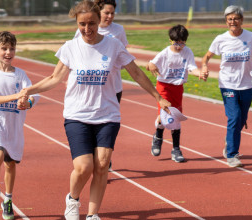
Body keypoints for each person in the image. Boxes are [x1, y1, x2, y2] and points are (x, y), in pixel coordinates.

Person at [19, 1, 170, 219]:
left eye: (92, 23)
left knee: (102, 164)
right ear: (76, 23)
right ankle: (72, 199)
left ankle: (92, 214)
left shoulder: (113, 45)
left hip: (107, 114)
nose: (87, 29)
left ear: (99, 21)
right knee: (83, 167)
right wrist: (28, 89)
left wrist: (159, 97)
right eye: (82, 24)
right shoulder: (70, 48)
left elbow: (136, 73)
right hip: (77, 115)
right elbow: (54, 78)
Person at [201, 5, 252, 168]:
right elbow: (206, 57)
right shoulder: (220, 39)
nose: (233, 22)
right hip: (227, 84)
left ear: (242, 20)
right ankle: (232, 155)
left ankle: (229, 142)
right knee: (234, 117)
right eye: (230, 19)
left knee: (242, 118)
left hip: (246, 84)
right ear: (226, 21)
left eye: (236, 18)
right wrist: (204, 67)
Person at [0, 31, 40, 220]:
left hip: (14, 126)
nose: (8, 52)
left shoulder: (21, 75)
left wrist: (27, 102)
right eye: (4, 48)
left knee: (10, 164)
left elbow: (33, 94)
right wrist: (16, 96)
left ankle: (8, 199)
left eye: (11, 48)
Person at [147, 24, 207, 163]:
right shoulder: (165, 53)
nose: (179, 46)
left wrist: (200, 74)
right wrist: (151, 65)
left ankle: (175, 149)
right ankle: (159, 137)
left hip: (178, 88)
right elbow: (150, 64)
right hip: (164, 87)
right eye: (176, 43)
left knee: (176, 118)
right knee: (166, 115)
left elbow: (192, 68)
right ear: (170, 40)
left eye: (182, 43)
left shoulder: (188, 52)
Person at [73, 0, 128, 103]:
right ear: (99, 13)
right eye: (107, 13)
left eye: (112, 13)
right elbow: (76, 54)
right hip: (90, 84)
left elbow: (124, 55)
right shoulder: (85, 30)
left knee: (111, 116)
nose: (110, 16)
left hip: (113, 85)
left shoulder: (119, 30)